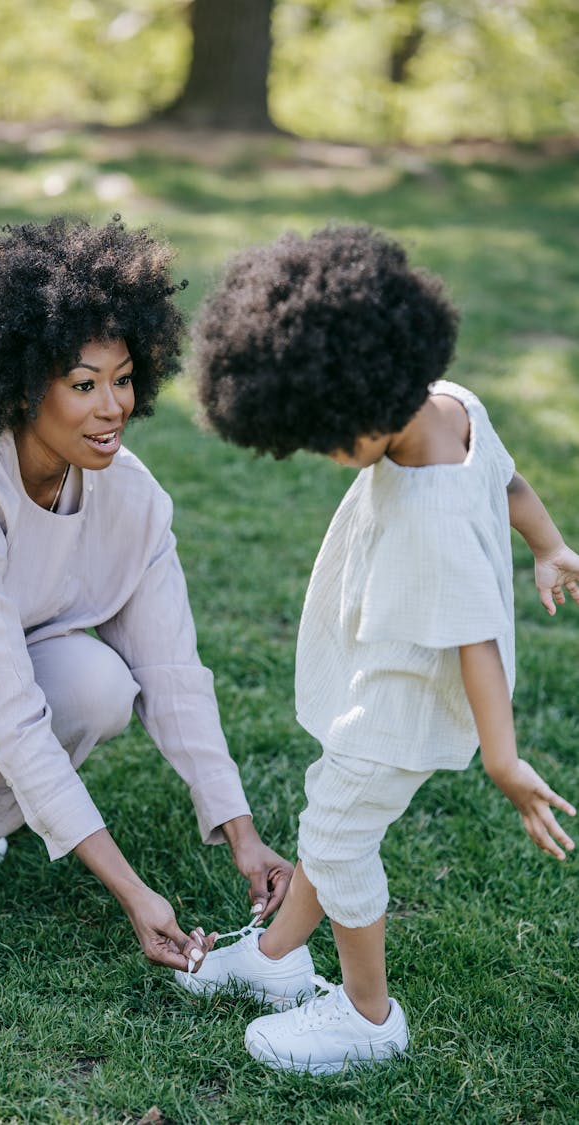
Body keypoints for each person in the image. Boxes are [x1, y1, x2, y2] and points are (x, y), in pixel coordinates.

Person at [0, 216, 292, 967]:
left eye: (122, 379)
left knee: (100, 682)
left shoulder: (133, 501)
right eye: (83, 384)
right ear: (18, 390)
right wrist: (133, 892)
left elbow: (173, 676)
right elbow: (11, 713)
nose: (112, 407)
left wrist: (243, 833)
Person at [174, 223, 579, 1074]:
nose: (326, 454)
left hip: (401, 698)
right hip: (389, 661)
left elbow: (476, 640)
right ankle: (280, 956)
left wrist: (504, 760)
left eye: (327, 436)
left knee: (339, 838)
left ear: (362, 390)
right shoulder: (453, 402)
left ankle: (367, 1013)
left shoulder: (429, 513)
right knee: (332, 821)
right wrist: (548, 543)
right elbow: (504, 477)